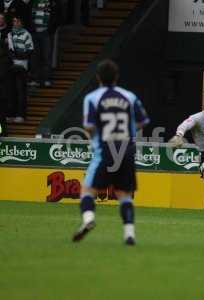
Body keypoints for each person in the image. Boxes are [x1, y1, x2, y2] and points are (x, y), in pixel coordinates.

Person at [72, 59, 150, 246]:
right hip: (127, 150)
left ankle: (88, 218)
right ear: (117, 76)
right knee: (125, 194)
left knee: (87, 191)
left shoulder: (92, 98)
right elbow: (143, 121)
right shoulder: (129, 97)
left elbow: (89, 126)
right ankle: (129, 233)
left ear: (97, 77)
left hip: (105, 151)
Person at [28, 0, 63, 87]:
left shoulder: (53, 2)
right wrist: (31, 29)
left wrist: (51, 30)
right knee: (34, 56)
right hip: (34, 33)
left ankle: (47, 79)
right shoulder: (32, 2)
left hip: (46, 33)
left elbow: (58, 16)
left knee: (47, 56)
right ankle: (35, 79)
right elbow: (27, 16)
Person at [7, 15, 33, 123]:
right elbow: (9, 51)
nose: (15, 23)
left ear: (22, 23)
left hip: (22, 67)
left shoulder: (26, 34)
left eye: (17, 21)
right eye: (14, 21)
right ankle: (11, 114)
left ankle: (21, 115)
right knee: (11, 91)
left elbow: (29, 51)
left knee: (21, 91)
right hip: (11, 66)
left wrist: (18, 54)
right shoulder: (9, 34)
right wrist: (17, 54)